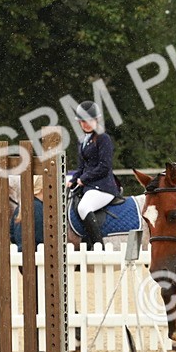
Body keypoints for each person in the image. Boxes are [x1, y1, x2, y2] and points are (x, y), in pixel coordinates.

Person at [67, 101, 121, 247]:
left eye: (89, 120)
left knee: (83, 207)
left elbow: (104, 166)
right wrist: (73, 180)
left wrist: (84, 178)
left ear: (97, 120)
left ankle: (98, 245)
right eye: (82, 121)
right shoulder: (82, 141)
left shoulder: (103, 138)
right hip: (89, 187)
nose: (86, 124)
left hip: (103, 187)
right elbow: (81, 167)